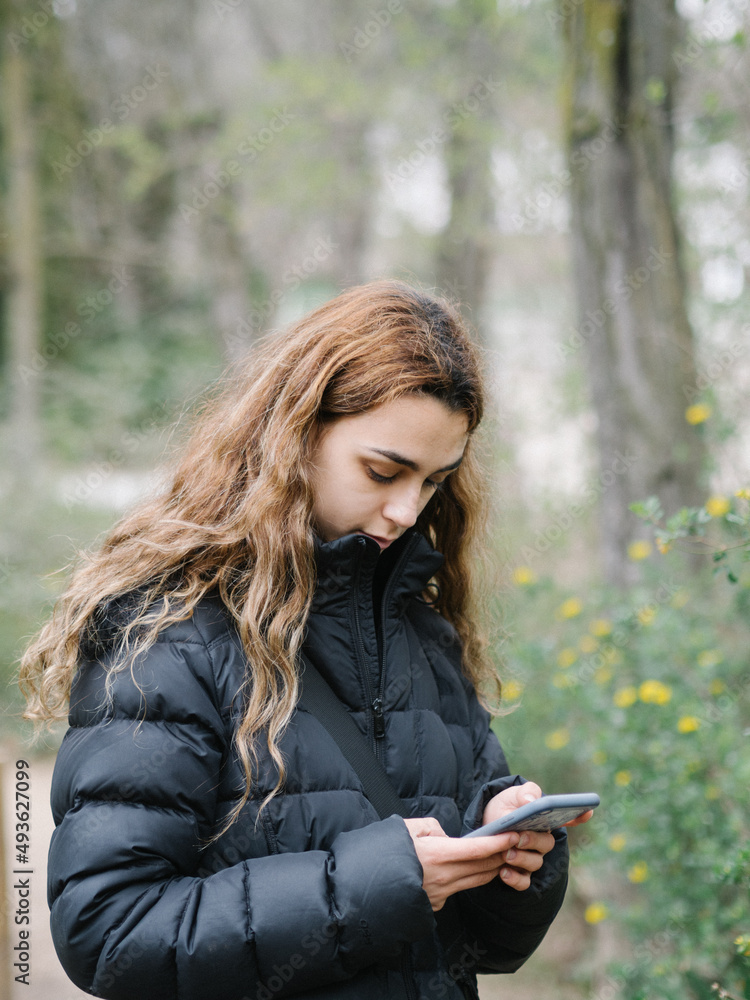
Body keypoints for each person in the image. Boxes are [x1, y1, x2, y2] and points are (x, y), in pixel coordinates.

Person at [21, 280, 590, 1000]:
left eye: (434, 482)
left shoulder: (423, 630)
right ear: (296, 434)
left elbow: (479, 949)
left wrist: (512, 859)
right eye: (383, 471)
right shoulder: (168, 633)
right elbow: (109, 934)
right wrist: (375, 882)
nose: (406, 510)